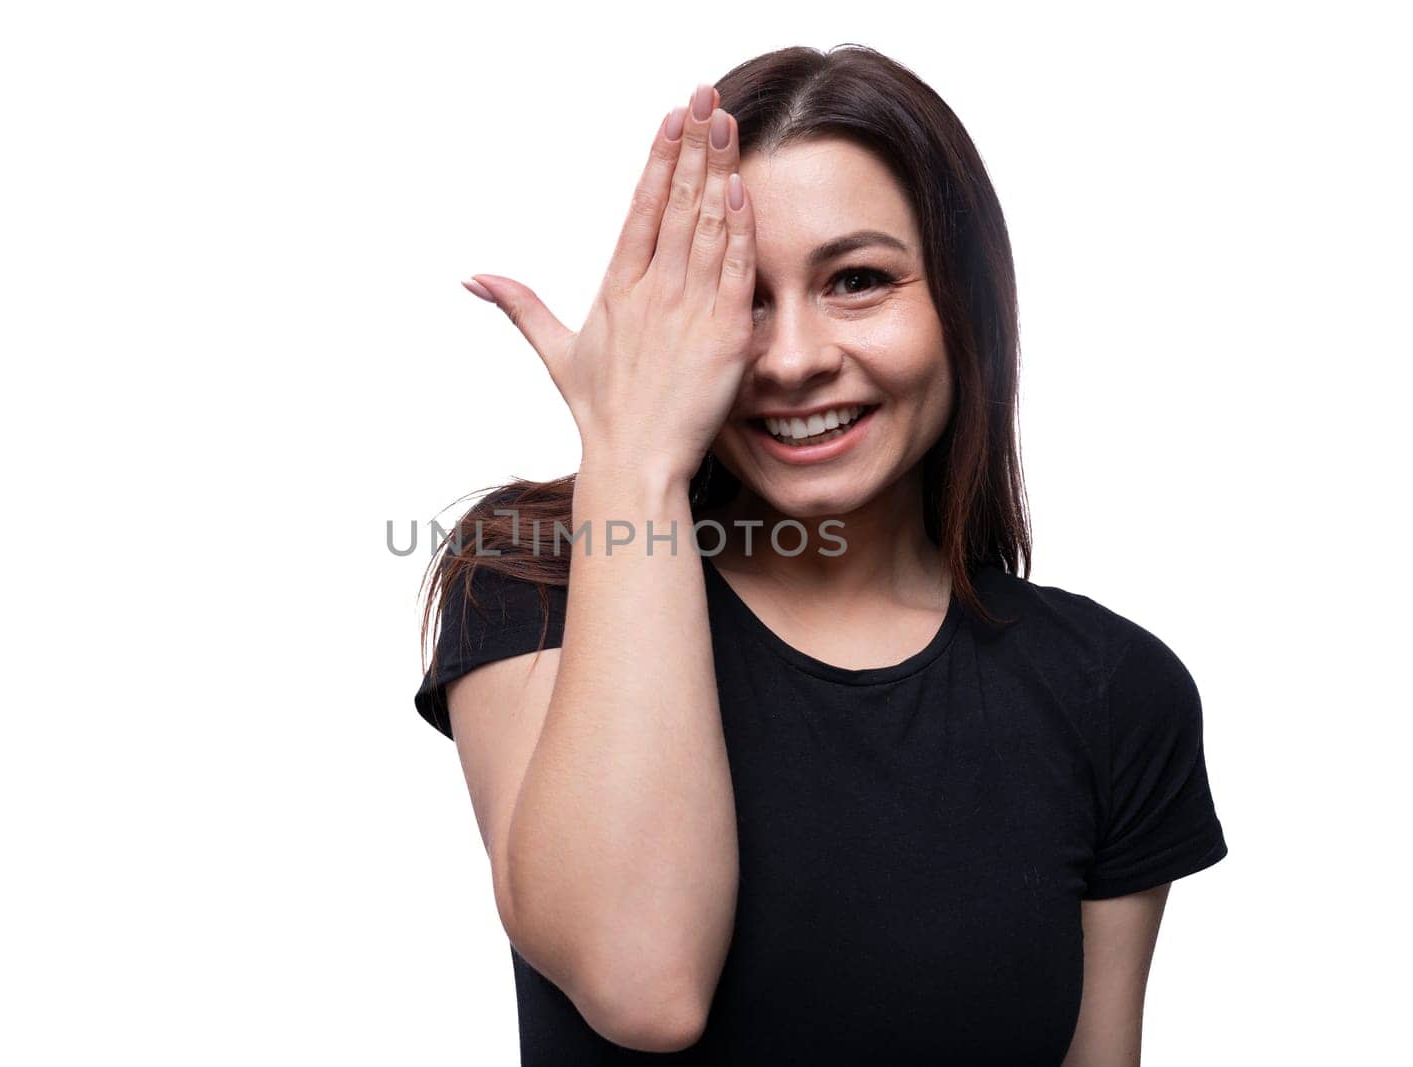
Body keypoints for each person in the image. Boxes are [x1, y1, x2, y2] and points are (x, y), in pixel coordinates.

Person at [413, 44, 1229, 1065]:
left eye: (857, 280)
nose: (793, 360)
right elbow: (642, 984)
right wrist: (630, 451)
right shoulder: (537, 576)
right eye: (741, 295)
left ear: (965, 307)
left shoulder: (1112, 689)